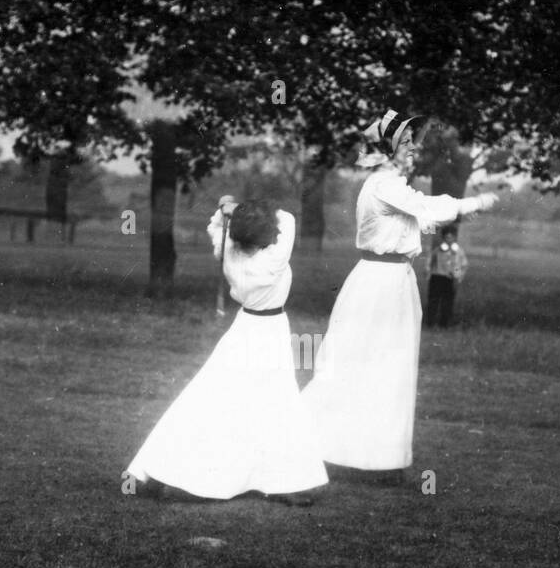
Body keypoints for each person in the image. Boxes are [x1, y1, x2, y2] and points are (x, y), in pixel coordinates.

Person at [301, 109, 499, 475]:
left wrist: (458, 211)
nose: (413, 149)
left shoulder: (390, 186)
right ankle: (309, 443)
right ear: (387, 148)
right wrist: (471, 203)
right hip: (379, 284)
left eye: (412, 142)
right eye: (406, 143)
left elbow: (420, 218)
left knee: (387, 367)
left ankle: (378, 457)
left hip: (391, 281)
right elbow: (426, 208)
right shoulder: (384, 185)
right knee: (363, 364)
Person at [124, 200, 328, 505]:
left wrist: (225, 211)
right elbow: (287, 218)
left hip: (243, 329)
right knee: (276, 402)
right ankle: (284, 480)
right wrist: (240, 209)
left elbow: (216, 227)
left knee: (216, 398)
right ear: (266, 236)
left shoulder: (229, 252)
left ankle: (171, 469)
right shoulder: (273, 258)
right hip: (269, 331)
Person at [425, 224, 468, 328]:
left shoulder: (458, 251)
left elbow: (461, 265)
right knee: (433, 301)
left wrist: (458, 276)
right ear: (443, 238)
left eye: (451, 237)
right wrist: (428, 272)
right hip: (437, 277)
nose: (448, 239)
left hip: (450, 279)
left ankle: (444, 324)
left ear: (454, 238)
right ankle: (430, 323)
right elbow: (429, 262)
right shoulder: (438, 250)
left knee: (447, 302)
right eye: (446, 237)